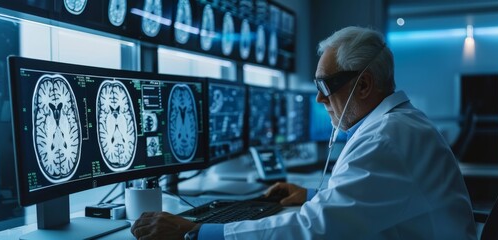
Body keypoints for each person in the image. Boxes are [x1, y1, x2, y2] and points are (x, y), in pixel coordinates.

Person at [131, 26, 477, 239]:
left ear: (364, 84)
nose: (318, 98)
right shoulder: (396, 127)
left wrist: (196, 231)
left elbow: (316, 230)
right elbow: (366, 202)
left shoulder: (386, 137)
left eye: (324, 85)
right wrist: (311, 195)